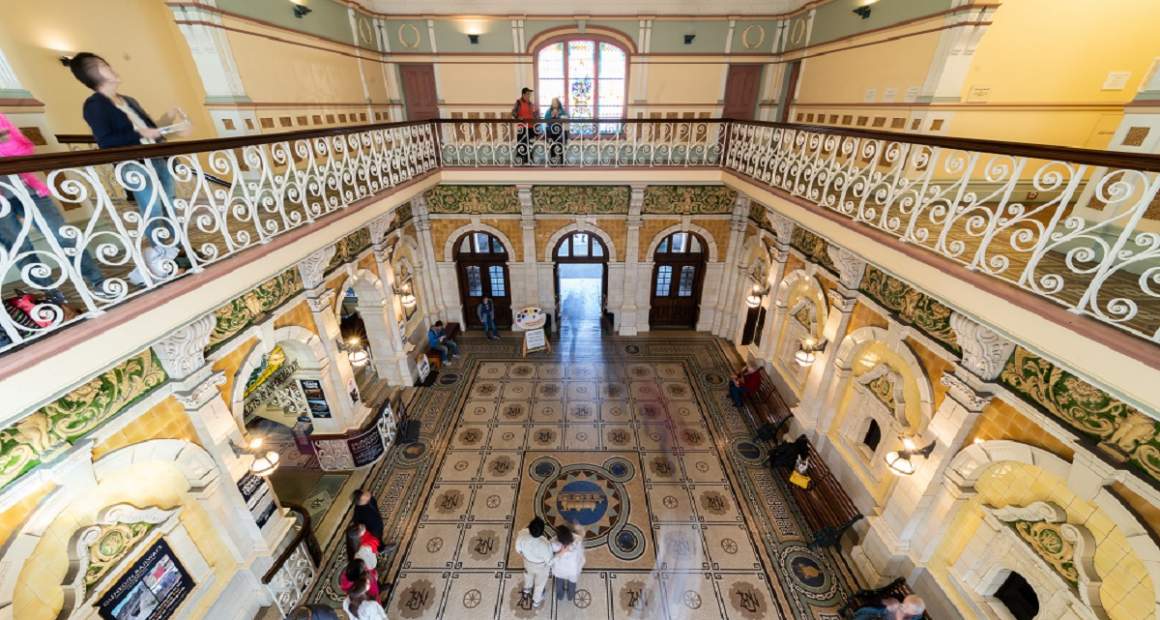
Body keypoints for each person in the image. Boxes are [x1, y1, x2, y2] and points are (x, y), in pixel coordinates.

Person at [69, 52, 187, 285]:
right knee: (152, 208)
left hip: (156, 157)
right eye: (104, 65)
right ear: (93, 73)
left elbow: (152, 130)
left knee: (169, 203)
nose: (111, 68)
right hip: (133, 163)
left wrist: (170, 119)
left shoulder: (128, 100)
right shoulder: (94, 105)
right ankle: (163, 257)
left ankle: (177, 251)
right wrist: (138, 133)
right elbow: (106, 141)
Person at [0, 113, 106, 292]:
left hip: (29, 191)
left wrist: (4, 142)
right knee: (20, 248)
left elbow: (24, 150)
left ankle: (97, 281)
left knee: (62, 235)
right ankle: (53, 296)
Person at [514, 516, 555, 609]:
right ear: (542, 532)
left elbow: (518, 550)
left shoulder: (522, 535)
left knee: (528, 576)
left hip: (527, 562)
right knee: (539, 584)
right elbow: (549, 561)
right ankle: (536, 601)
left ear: (529, 527)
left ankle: (527, 589)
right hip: (541, 567)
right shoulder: (545, 544)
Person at [550, 523, 585, 602]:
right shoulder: (577, 541)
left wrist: (560, 552)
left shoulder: (554, 544)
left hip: (559, 570)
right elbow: (581, 535)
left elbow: (551, 558)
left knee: (559, 582)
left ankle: (560, 596)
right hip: (573, 570)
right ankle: (570, 596)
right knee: (572, 584)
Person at [510, 87, 538, 165]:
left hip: (531, 127)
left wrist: (536, 115)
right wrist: (518, 117)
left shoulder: (531, 104)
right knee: (521, 144)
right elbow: (513, 113)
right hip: (522, 127)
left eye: (530, 94)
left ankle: (529, 160)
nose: (529, 96)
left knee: (530, 144)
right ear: (523, 94)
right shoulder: (518, 102)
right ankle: (521, 161)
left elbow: (534, 114)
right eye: (528, 94)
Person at [851, 594, 926, 620]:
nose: (903, 606)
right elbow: (872, 610)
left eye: (907, 607)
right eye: (905, 603)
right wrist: (886, 606)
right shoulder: (894, 606)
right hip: (871, 615)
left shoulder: (914, 617)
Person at [541, 98, 568, 165]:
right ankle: (553, 161)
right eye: (553, 102)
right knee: (552, 145)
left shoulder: (562, 111)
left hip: (560, 131)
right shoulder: (548, 111)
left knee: (560, 145)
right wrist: (552, 116)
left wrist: (558, 116)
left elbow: (566, 119)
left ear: (558, 103)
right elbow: (546, 120)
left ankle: (562, 160)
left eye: (555, 102)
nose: (554, 104)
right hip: (551, 132)